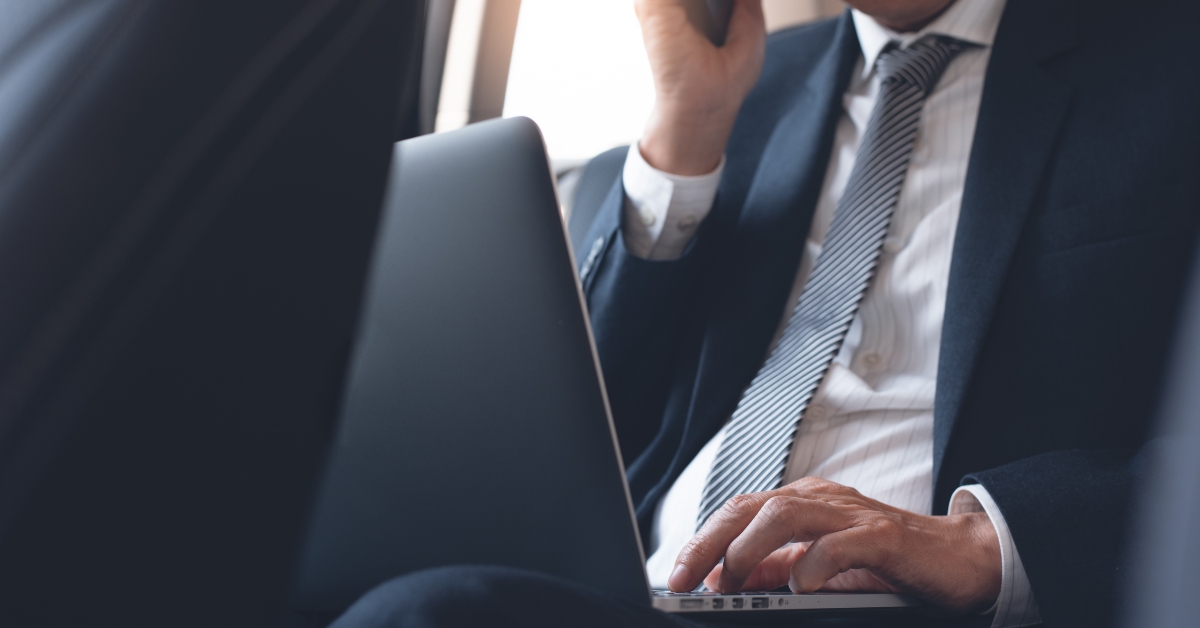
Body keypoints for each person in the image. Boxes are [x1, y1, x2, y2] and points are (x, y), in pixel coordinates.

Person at [333, 0, 1200, 626]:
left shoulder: (1166, 58)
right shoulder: (750, 86)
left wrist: (982, 544)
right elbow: (588, 432)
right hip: (658, 595)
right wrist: (687, 127)